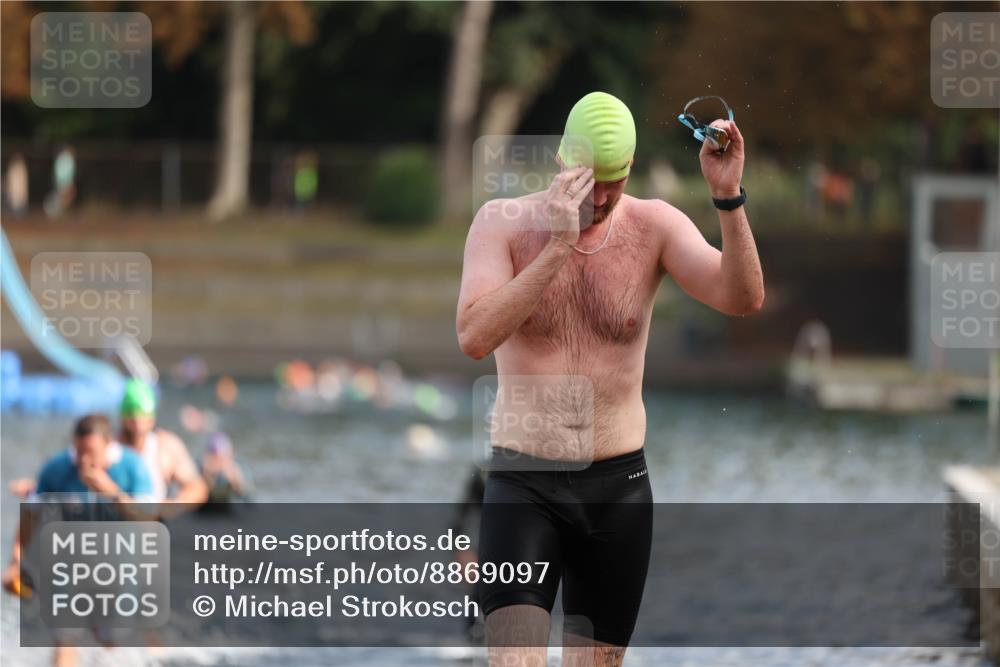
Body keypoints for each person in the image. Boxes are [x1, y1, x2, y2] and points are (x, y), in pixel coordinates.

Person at [456, 91, 764, 666]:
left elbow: (743, 298)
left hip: (618, 491)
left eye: (614, 182)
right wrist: (556, 248)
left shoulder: (654, 227)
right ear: (562, 162)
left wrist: (728, 197)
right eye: (589, 180)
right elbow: (473, 336)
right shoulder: (501, 224)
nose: (599, 198)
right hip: (524, 485)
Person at [2, 414, 153, 667]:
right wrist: (15, 559)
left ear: (108, 444)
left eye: (90, 452)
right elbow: (30, 514)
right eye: (78, 450)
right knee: (65, 641)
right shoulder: (58, 467)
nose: (83, 460)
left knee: (110, 644)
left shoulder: (132, 467)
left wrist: (112, 493)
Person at [118, 379, 208, 506]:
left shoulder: (166, 446)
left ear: (152, 419)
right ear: (123, 418)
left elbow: (197, 488)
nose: (137, 425)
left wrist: (169, 506)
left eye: (142, 419)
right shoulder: (110, 446)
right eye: (132, 420)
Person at [199, 431, 250, 505]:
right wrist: (207, 477)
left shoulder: (238, 469)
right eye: (216, 459)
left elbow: (250, 504)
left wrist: (238, 484)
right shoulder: (200, 469)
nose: (220, 464)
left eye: (223, 459)